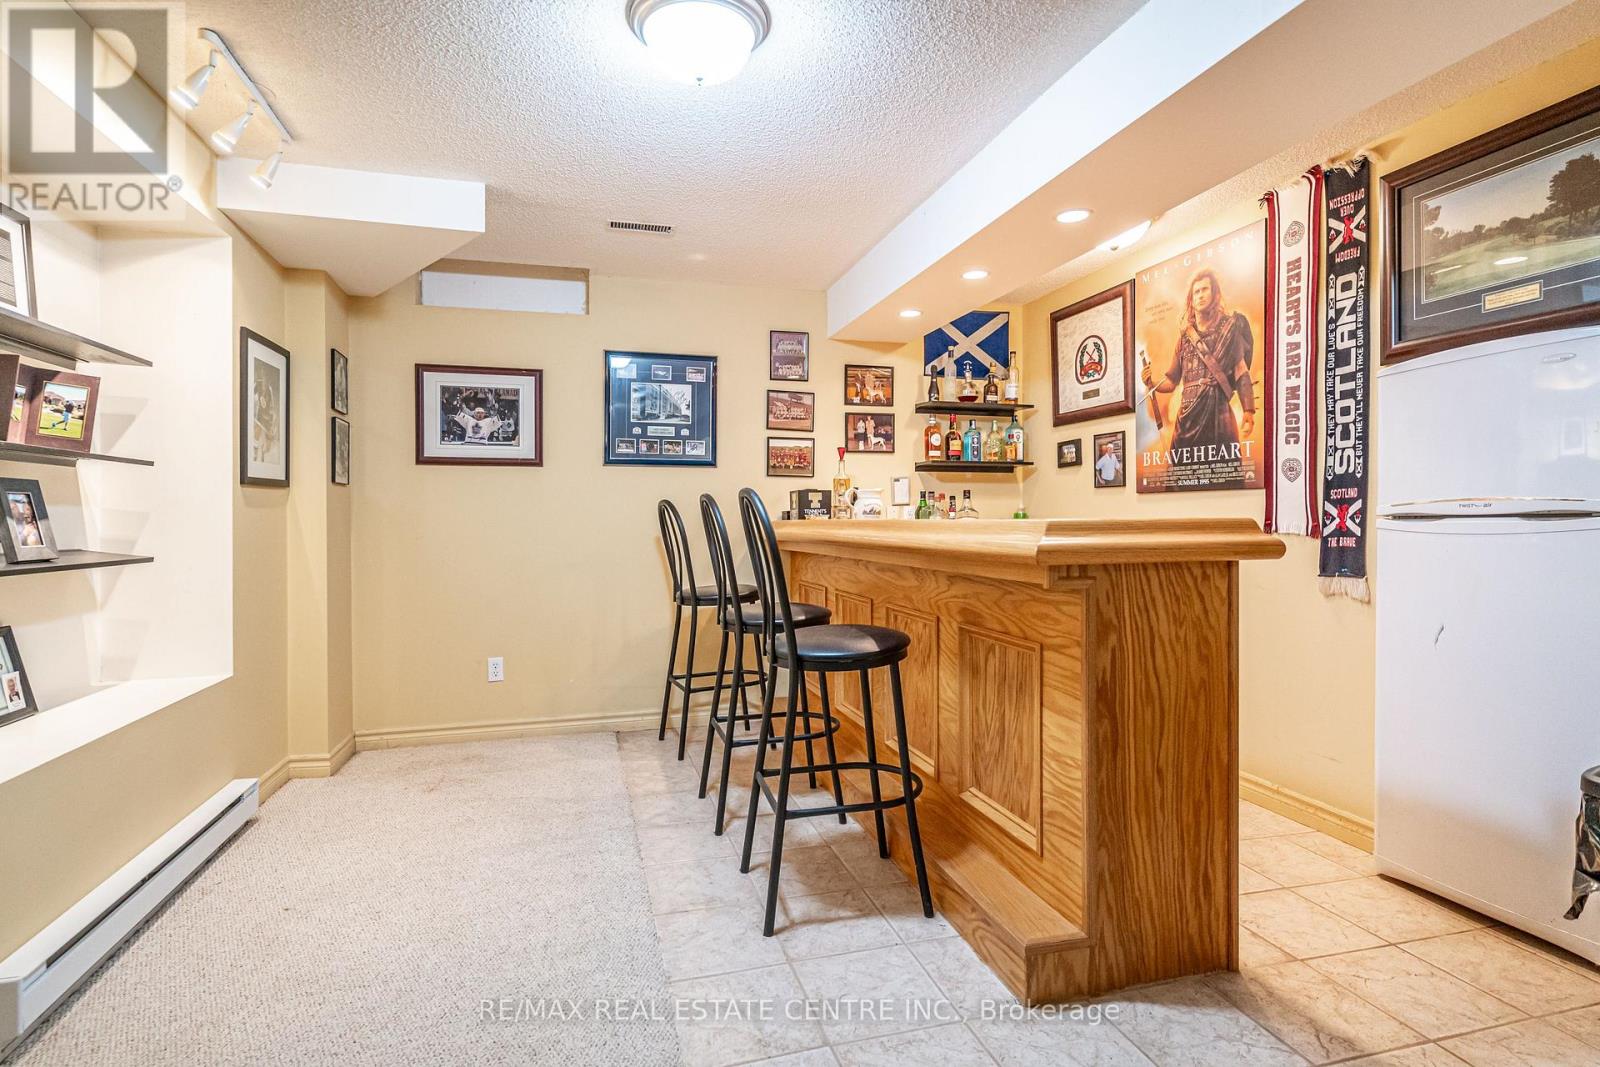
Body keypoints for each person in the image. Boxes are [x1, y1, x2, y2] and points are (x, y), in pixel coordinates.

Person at [1140, 267, 1256, 454]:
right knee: (1181, 470)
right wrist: (1150, 382)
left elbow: (1241, 371)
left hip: (1219, 416)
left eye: (1205, 289)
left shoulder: (1230, 329)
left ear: (1215, 294)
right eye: (1196, 292)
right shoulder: (1184, 340)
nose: (1200, 295)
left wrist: (1248, 410)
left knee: (1224, 469)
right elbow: (1171, 382)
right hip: (1187, 420)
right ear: (1191, 300)